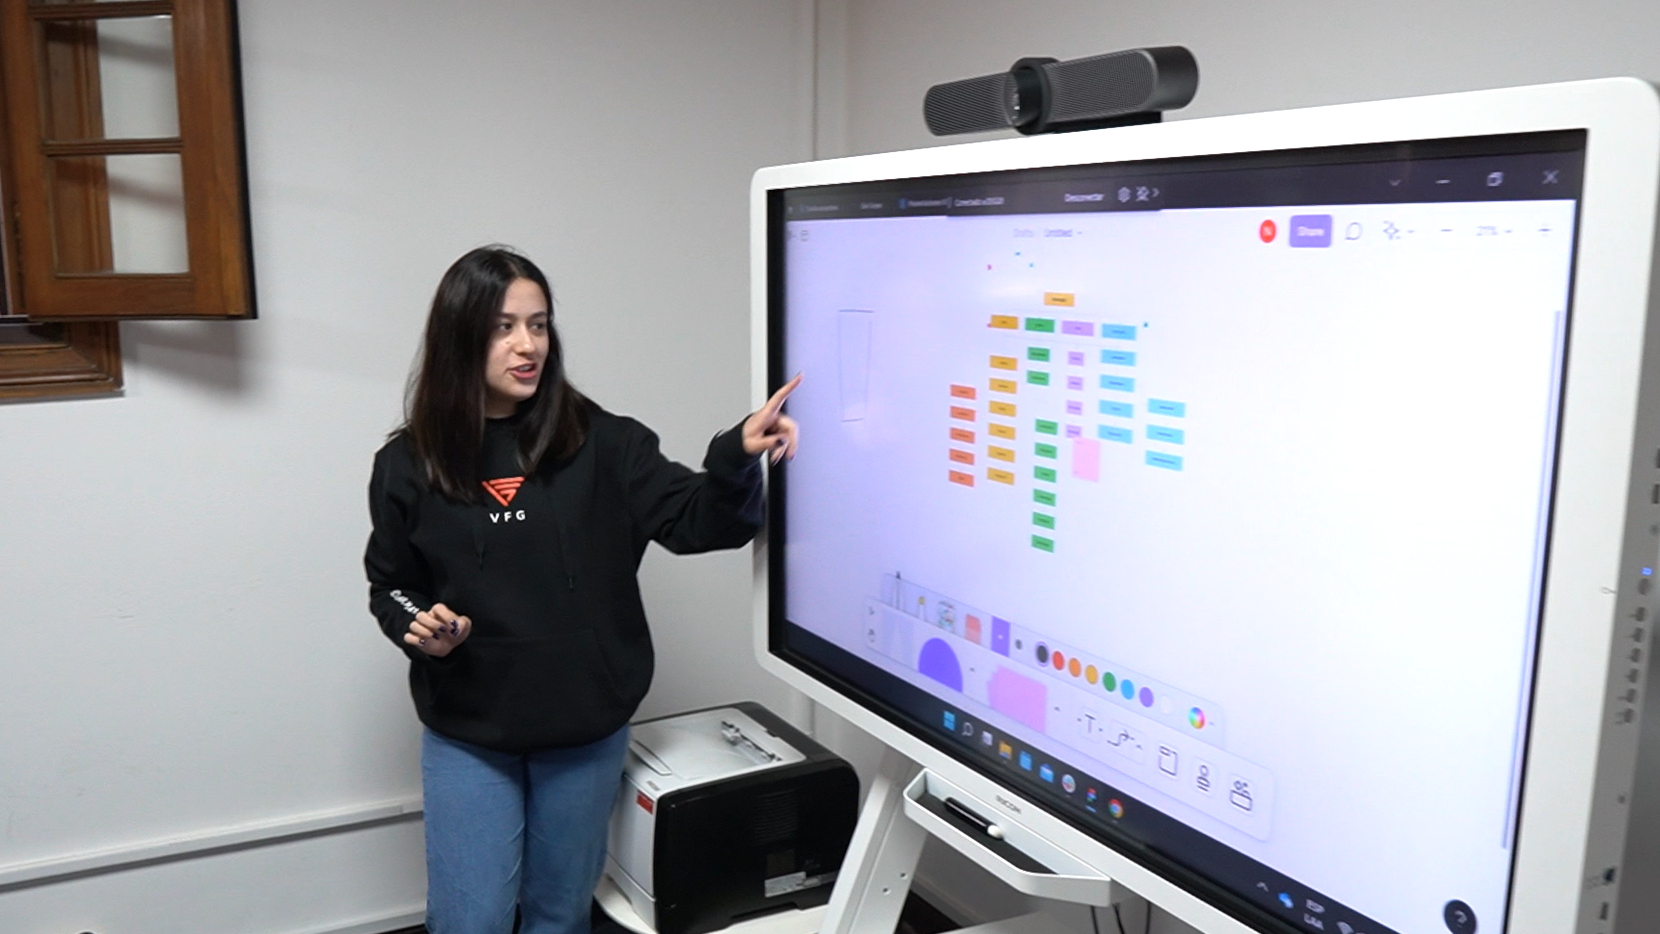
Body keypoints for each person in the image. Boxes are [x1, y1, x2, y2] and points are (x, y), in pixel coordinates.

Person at [365, 245, 799, 934]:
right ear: (459, 337)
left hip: (584, 730)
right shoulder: (407, 462)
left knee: (559, 917)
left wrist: (733, 456)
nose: (526, 344)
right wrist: (422, 628)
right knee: (468, 921)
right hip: (469, 734)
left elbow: (699, 523)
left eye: (538, 324)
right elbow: (391, 586)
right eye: (503, 326)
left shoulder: (605, 445)